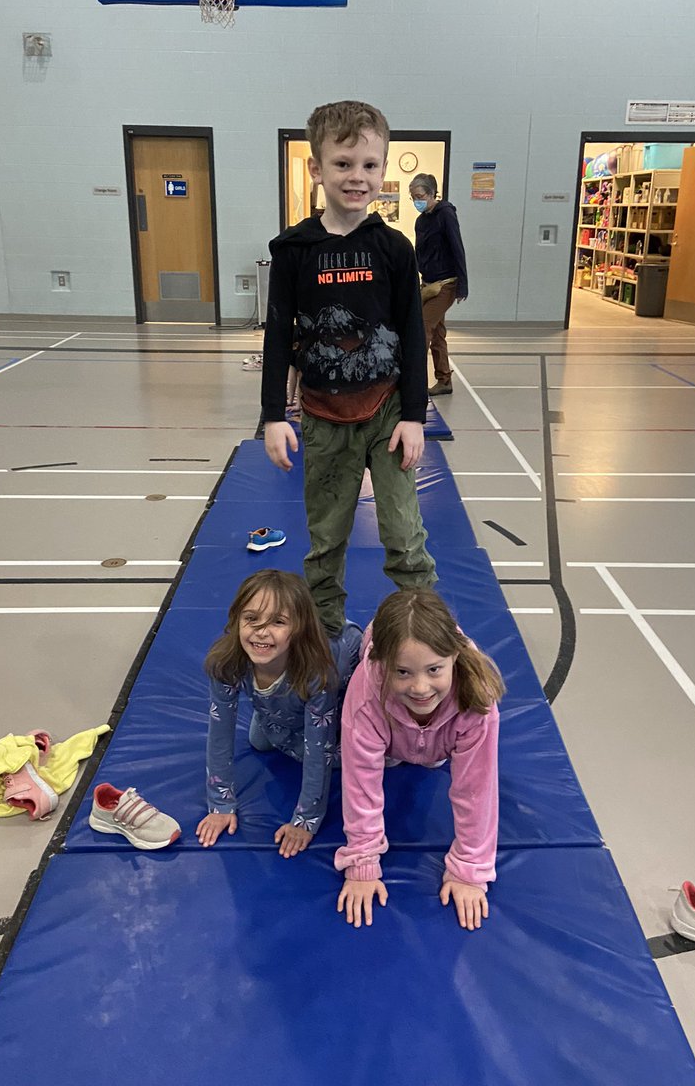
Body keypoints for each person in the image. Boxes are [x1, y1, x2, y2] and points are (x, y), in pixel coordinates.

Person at [261, 100, 437, 637]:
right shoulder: (294, 250)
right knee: (327, 536)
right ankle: (328, 634)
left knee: (404, 533)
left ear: (383, 170)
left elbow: (412, 334)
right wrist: (273, 415)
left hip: (387, 411)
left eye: (369, 165)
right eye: (342, 164)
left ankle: (420, 633)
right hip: (322, 414)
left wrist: (415, 414)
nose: (357, 177)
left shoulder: (394, 248)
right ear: (317, 168)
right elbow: (277, 333)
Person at [335, 588, 503, 931]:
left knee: (433, 756)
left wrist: (469, 870)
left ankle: (425, 746)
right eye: (403, 672)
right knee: (383, 754)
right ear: (382, 665)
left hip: (439, 737)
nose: (421, 687)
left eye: (434, 670)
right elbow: (360, 782)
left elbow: (476, 789)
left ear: (454, 656)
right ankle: (404, 745)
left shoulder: (476, 700)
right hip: (390, 732)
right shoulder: (365, 695)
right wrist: (362, 863)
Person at [196, 569, 361, 856]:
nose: (261, 631)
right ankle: (282, 710)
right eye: (251, 619)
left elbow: (318, 749)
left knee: (342, 757)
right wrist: (221, 804)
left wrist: (306, 819)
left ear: (299, 629)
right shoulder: (227, 663)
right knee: (260, 741)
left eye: (278, 622)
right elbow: (220, 735)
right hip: (292, 703)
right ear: (236, 621)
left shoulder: (317, 672)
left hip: (342, 688)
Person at [409, 173, 469, 397]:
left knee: (422, 329)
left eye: (419, 196)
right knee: (438, 334)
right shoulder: (421, 220)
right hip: (428, 284)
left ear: (432, 193)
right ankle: (444, 380)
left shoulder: (446, 214)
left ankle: (414, 385)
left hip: (446, 284)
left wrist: (463, 285)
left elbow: (457, 247)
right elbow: (419, 253)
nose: (416, 201)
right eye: (413, 197)